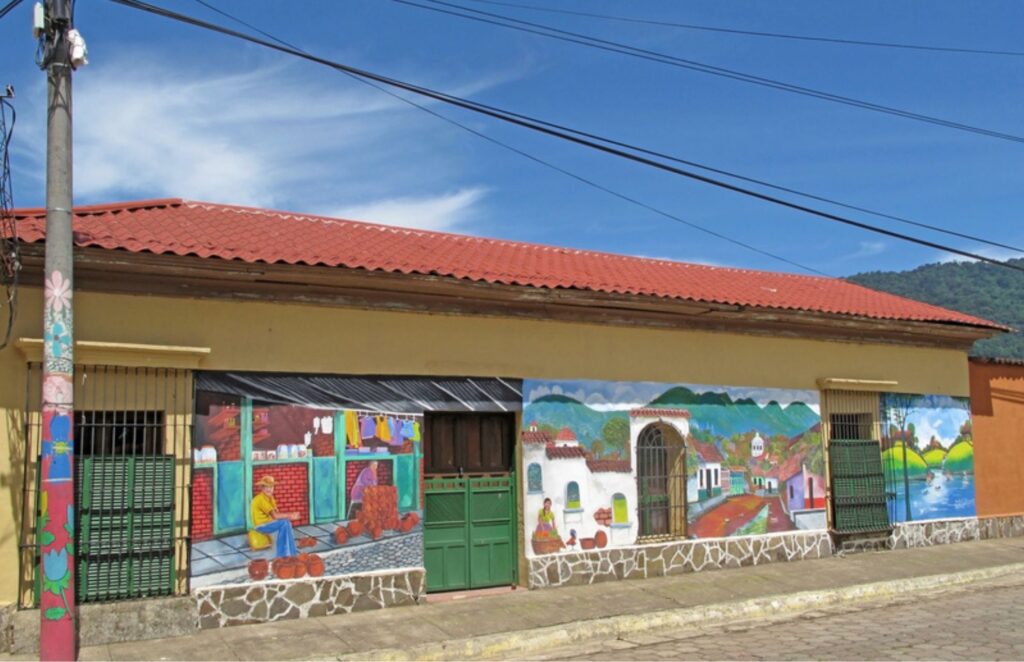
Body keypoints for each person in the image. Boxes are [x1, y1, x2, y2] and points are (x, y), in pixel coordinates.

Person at [248, 475, 300, 558]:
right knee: (284, 523)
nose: (269, 489)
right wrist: (291, 515)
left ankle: (291, 554)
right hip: (261, 526)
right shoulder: (260, 499)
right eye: (266, 487)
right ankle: (283, 555)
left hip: (269, 523)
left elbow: (276, 514)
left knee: (286, 523)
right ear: (262, 487)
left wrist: (287, 516)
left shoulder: (270, 498)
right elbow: (275, 515)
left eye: (271, 487)